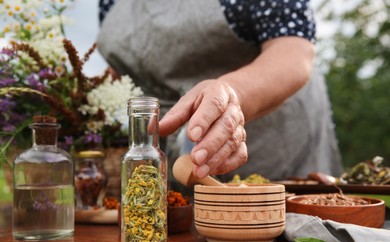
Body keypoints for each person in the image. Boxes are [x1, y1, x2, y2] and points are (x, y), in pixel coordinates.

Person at [97, 0, 343, 185]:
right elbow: (124, 65)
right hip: (169, 161)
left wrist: (230, 94)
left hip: (275, 151)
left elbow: (293, 53)